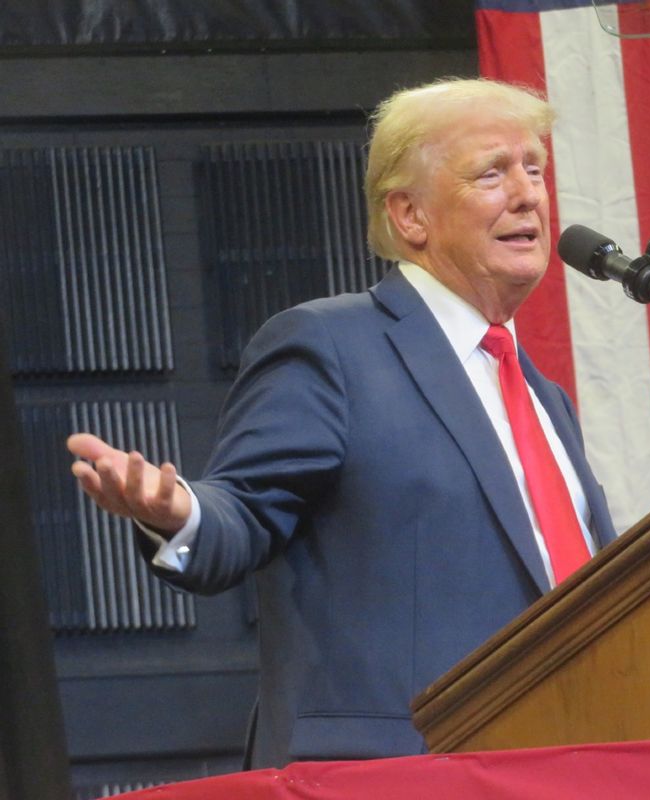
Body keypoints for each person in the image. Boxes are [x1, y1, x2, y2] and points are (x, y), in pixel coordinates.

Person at [66, 78, 618, 768]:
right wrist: (177, 516)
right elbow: (243, 511)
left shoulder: (544, 398)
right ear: (410, 215)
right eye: (491, 173)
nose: (528, 194)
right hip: (393, 770)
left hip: (560, 763)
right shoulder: (332, 345)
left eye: (534, 170)